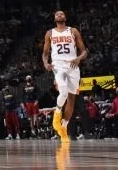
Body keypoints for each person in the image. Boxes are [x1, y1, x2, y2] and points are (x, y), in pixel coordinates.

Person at [42, 10, 88, 142]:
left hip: (73, 66)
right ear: (54, 18)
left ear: (65, 17)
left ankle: (63, 127)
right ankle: (57, 113)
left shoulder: (73, 31)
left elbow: (84, 51)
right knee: (63, 91)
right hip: (58, 66)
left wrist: (78, 58)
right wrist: (45, 63)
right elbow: (45, 53)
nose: (59, 15)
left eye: (61, 14)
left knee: (71, 100)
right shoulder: (50, 33)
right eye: (56, 14)